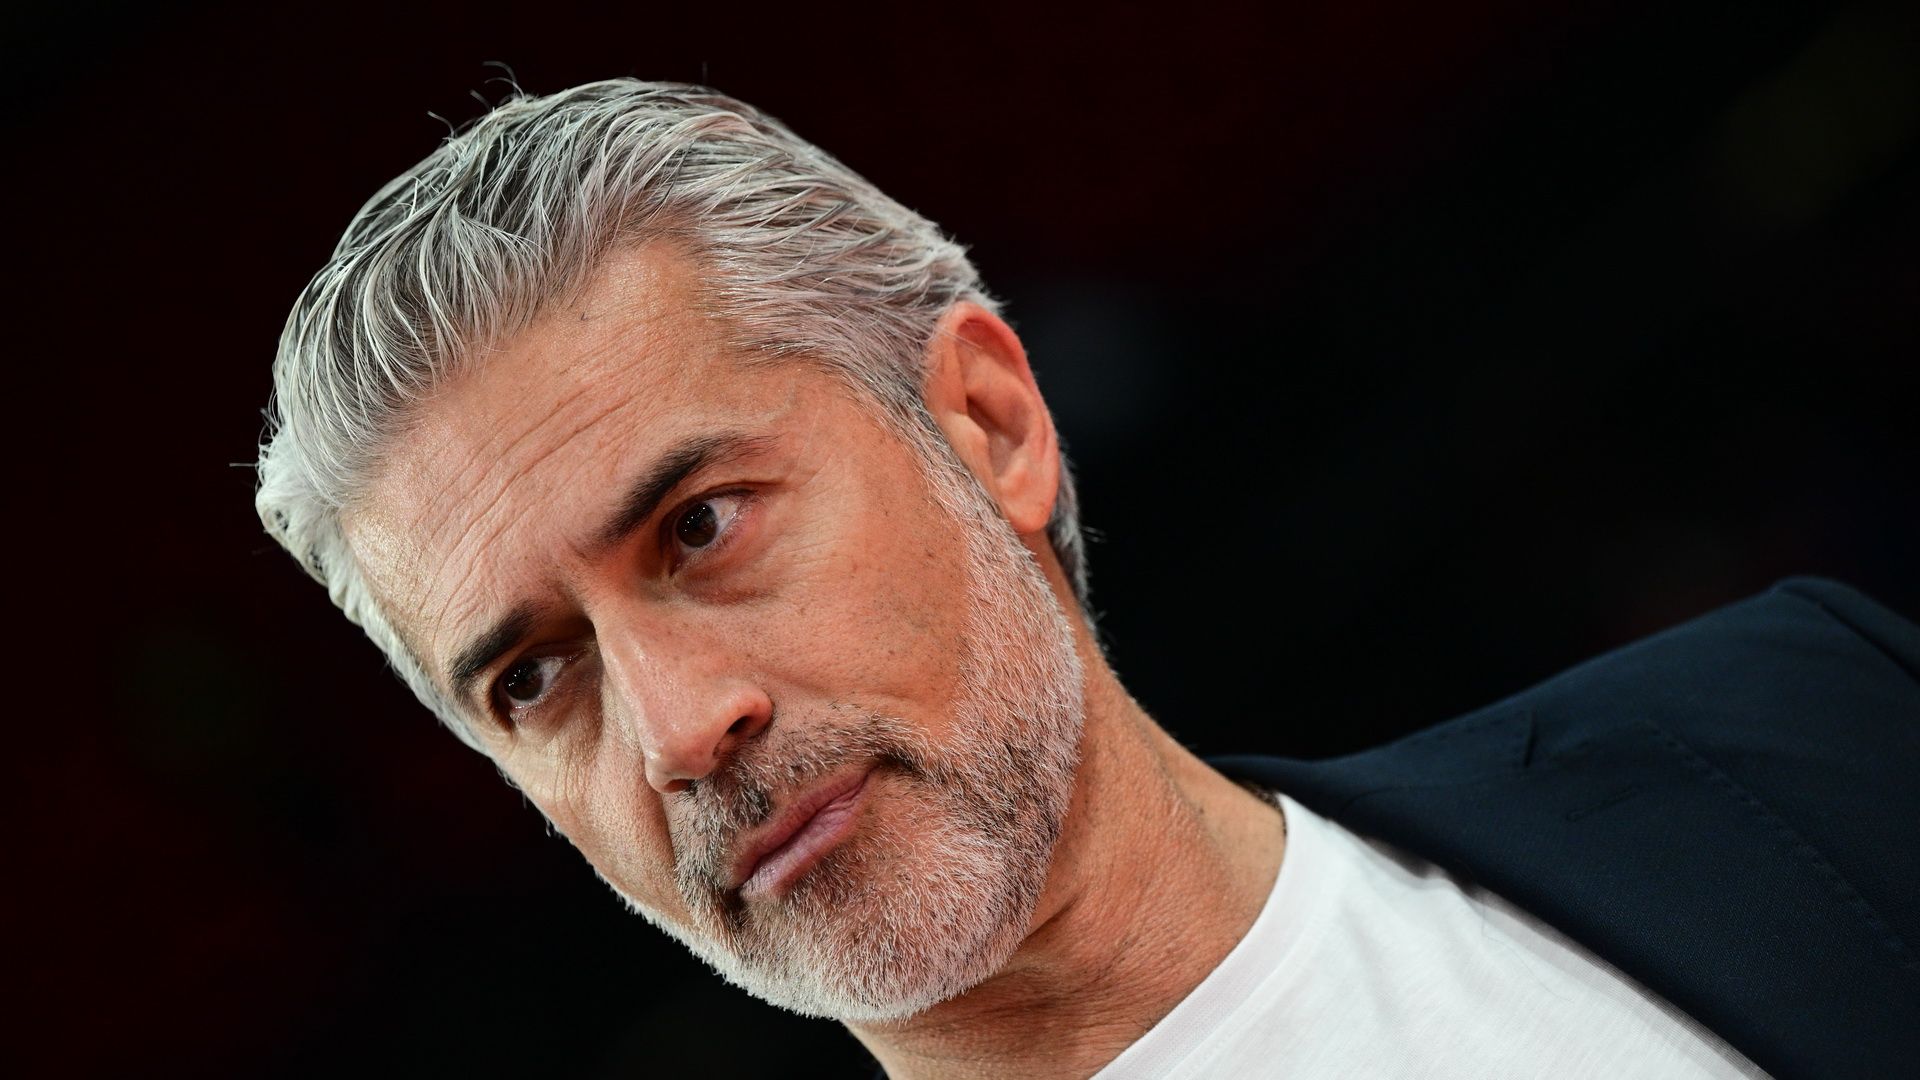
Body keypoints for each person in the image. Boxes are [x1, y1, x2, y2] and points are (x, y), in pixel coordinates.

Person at [254, 80, 1918, 1079]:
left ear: (987, 425)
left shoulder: (1812, 729)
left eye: (701, 527)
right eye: (534, 678)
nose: (682, 729)